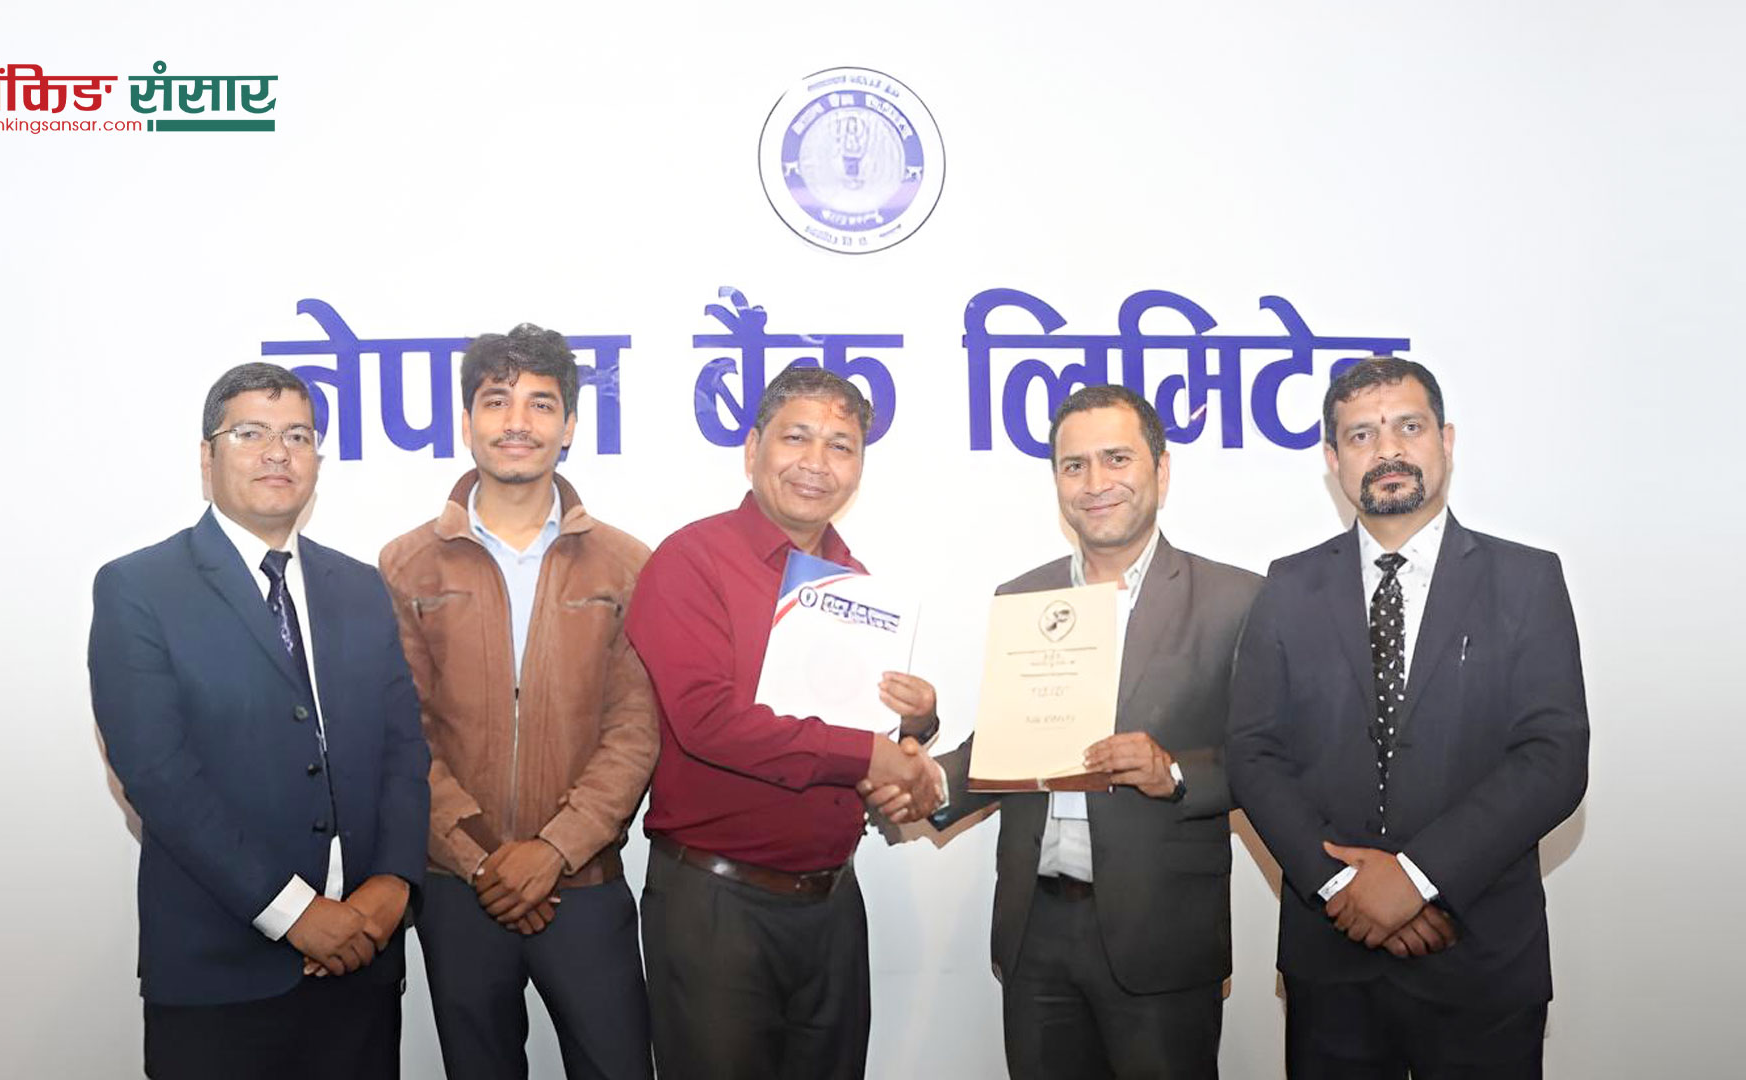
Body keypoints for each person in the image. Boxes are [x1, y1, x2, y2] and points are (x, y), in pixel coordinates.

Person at [871, 384, 1259, 1078]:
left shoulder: (1236, 599)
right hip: (1037, 931)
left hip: (1162, 935)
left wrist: (1173, 773)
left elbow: (1270, 761)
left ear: (1162, 470)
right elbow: (1012, 744)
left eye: (1117, 458)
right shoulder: (1024, 596)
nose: (1095, 482)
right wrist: (930, 782)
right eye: (1074, 465)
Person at [1227, 356, 1589, 1079]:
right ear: (1333, 459)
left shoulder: (1527, 579)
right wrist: (1345, 889)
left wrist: (1418, 878)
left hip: (1480, 957)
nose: (1387, 450)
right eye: (1361, 435)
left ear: (1445, 441)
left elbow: (1552, 758)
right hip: (1333, 963)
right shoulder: (1288, 585)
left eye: (1408, 427)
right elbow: (1253, 752)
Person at [89, 362, 430, 1078]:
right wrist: (295, 913)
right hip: (220, 977)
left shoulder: (360, 587)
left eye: (298, 436)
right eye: (251, 433)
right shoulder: (138, 588)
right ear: (206, 456)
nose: (278, 452)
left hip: (362, 964)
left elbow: (405, 750)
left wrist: (393, 883)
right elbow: (158, 777)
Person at [623, 367, 942, 1080]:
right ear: (752, 448)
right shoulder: (692, 560)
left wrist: (914, 728)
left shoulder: (855, 582)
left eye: (841, 445)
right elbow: (709, 722)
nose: (817, 462)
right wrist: (868, 757)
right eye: (796, 437)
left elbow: (852, 729)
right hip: (717, 908)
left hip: (832, 906)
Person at [379, 323, 658, 1079]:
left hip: (585, 883)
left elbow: (634, 730)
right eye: (496, 400)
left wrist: (555, 849)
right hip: (458, 888)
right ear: (466, 422)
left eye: (540, 404)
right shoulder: (406, 565)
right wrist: (483, 864)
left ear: (569, 427)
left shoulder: (627, 564)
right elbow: (403, 735)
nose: (517, 422)